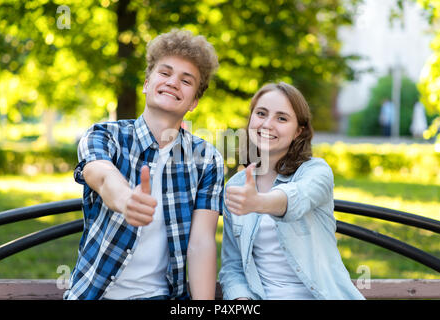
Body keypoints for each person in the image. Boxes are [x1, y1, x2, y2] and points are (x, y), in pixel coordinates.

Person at [64, 29, 224, 300]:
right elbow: (101, 175)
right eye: (165, 73)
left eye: (186, 80)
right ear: (147, 83)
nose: (173, 82)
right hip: (95, 295)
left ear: (194, 101)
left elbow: (201, 244)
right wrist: (126, 200)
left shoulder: (207, 158)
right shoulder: (105, 135)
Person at [219, 82, 365, 300]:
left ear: (299, 131)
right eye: (261, 113)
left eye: (281, 118)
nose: (267, 124)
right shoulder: (236, 186)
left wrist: (258, 202)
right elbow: (233, 268)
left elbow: (296, 198)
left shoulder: (316, 171)